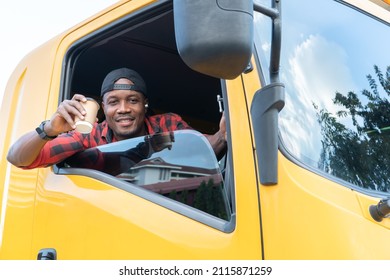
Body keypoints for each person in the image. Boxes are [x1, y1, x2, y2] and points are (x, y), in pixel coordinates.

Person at [7, 67, 227, 170]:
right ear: (103, 108)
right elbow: (18, 158)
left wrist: (223, 134)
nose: (124, 109)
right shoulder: (89, 135)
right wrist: (49, 129)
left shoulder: (166, 124)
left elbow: (204, 148)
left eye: (133, 100)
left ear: (145, 105)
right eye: (113, 102)